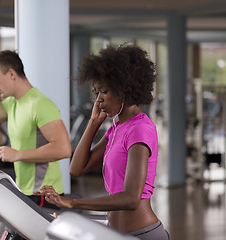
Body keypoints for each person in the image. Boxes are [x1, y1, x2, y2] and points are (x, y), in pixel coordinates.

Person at [37, 44, 170, 240]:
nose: (98, 100)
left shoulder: (140, 129)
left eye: (104, 92)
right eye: (96, 92)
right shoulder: (117, 129)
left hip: (142, 234)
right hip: (115, 233)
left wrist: (73, 203)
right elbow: (77, 168)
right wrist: (92, 123)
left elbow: (131, 198)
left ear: (125, 89)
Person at [0, 50, 71, 210]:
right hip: (25, 192)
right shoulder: (12, 104)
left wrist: (17, 155)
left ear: (11, 74)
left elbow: (63, 149)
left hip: (44, 195)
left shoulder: (40, 104)